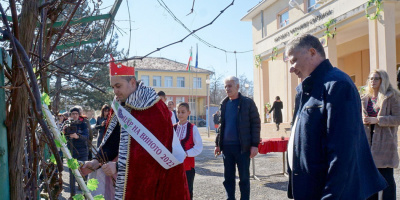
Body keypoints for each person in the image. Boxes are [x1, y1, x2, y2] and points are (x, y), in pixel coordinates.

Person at [285, 34, 387, 199]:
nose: (291, 68)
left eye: (294, 60)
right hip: (311, 189)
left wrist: (332, 195)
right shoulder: (307, 89)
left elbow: (343, 151)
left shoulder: (337, 85)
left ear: (312, 52)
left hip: (329, 192)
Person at [81, 59, 190, 199]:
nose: (115, 91)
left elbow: (155, 153)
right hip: (124, 180)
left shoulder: (155, 107)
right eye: (113, 87)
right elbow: (112, 141)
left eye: (118, 86)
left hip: (153, 180)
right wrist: (97, 161)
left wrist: (119, 167)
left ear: (132, 82)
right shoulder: (119, 105)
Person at [214, 76, 260, 200]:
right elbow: (221, 125)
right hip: (227, 148)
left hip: (242, 147)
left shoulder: (247, 102)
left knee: (244, 178)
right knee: (228, 178)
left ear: (237, 86)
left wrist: (255, 145)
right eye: (225, 86)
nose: (227, 89)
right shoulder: (223, 104)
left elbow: (256, 123)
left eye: (229, 86)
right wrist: (217, 144)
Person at [362, 69, 400, 200]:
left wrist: (378, 120)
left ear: (383, 80)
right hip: (367, 143)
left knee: (387, 178)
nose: (372, 81)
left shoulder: (392, 96)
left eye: (376, 78)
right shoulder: (365, 98)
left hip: (385, 144)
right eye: (371, 78)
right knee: (369, 178)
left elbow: (398, 118)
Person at [174, 102, 203, 200]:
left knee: (188, 190)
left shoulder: (192, 128)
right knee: (175, 189)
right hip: (174, 166)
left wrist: (186, 153)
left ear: (188, 113)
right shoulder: (172, 128)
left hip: (187, 166)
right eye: (178, 112)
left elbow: (198, 147)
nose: (180, 114)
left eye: (183, 112)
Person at [63, 107, 89, 198]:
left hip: (82, 152)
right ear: (70, 115)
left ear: (79, 115)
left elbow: (87, 137)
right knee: (72, 174)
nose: (74, 115)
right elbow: (62, 137)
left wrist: (77, 136)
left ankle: (85, 194)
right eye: (73, 114)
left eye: (76, 114)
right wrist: (64, 132)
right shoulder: (66, 124)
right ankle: (72, 195)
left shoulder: (83, 124)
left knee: (84, 172)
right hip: (71, 152)